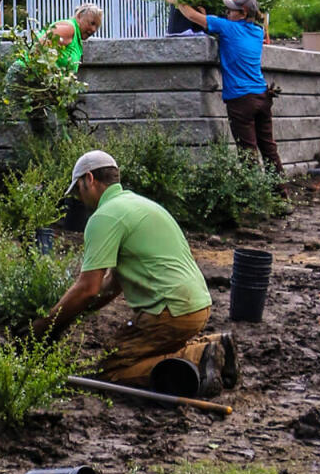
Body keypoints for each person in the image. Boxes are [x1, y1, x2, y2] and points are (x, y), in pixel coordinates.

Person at [34, 151, 237, 396]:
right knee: (134, 351)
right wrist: (74, 311)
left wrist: (47, 322)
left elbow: (88, 288)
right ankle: (216, 346)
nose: (79, 198)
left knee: (112, 370)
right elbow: (112, 285)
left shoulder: (105, 217)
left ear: (89, 179)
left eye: (78, 189)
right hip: (197, 307)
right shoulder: (141, 205)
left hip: (170, 313)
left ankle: (198, 358)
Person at [169, 0, 284, 175]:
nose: (227, 13)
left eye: (231, 10)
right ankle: (280, 196)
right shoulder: (257, 32)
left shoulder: (227, 27)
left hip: (241, 100)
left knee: (248, 153)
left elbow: (191, 16)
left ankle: (252, 198)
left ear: (243, 13)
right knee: (269, 150)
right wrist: (207, 15)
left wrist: (177, 1)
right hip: (263, 96)